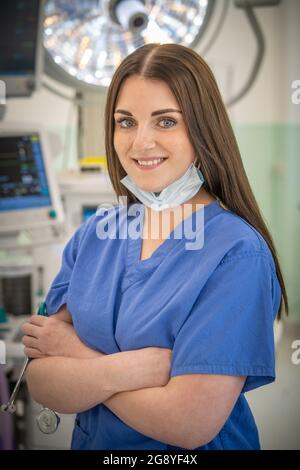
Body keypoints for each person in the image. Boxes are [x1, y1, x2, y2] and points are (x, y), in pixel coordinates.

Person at [22, 43, 288, 450]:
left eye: (165, 122)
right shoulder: (96, 235)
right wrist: (131, 370)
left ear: (202, 130)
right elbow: (40, 380)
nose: (139, 143)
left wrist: (76, 354)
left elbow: (187, 423)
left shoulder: (236, 254)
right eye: (125, 122)